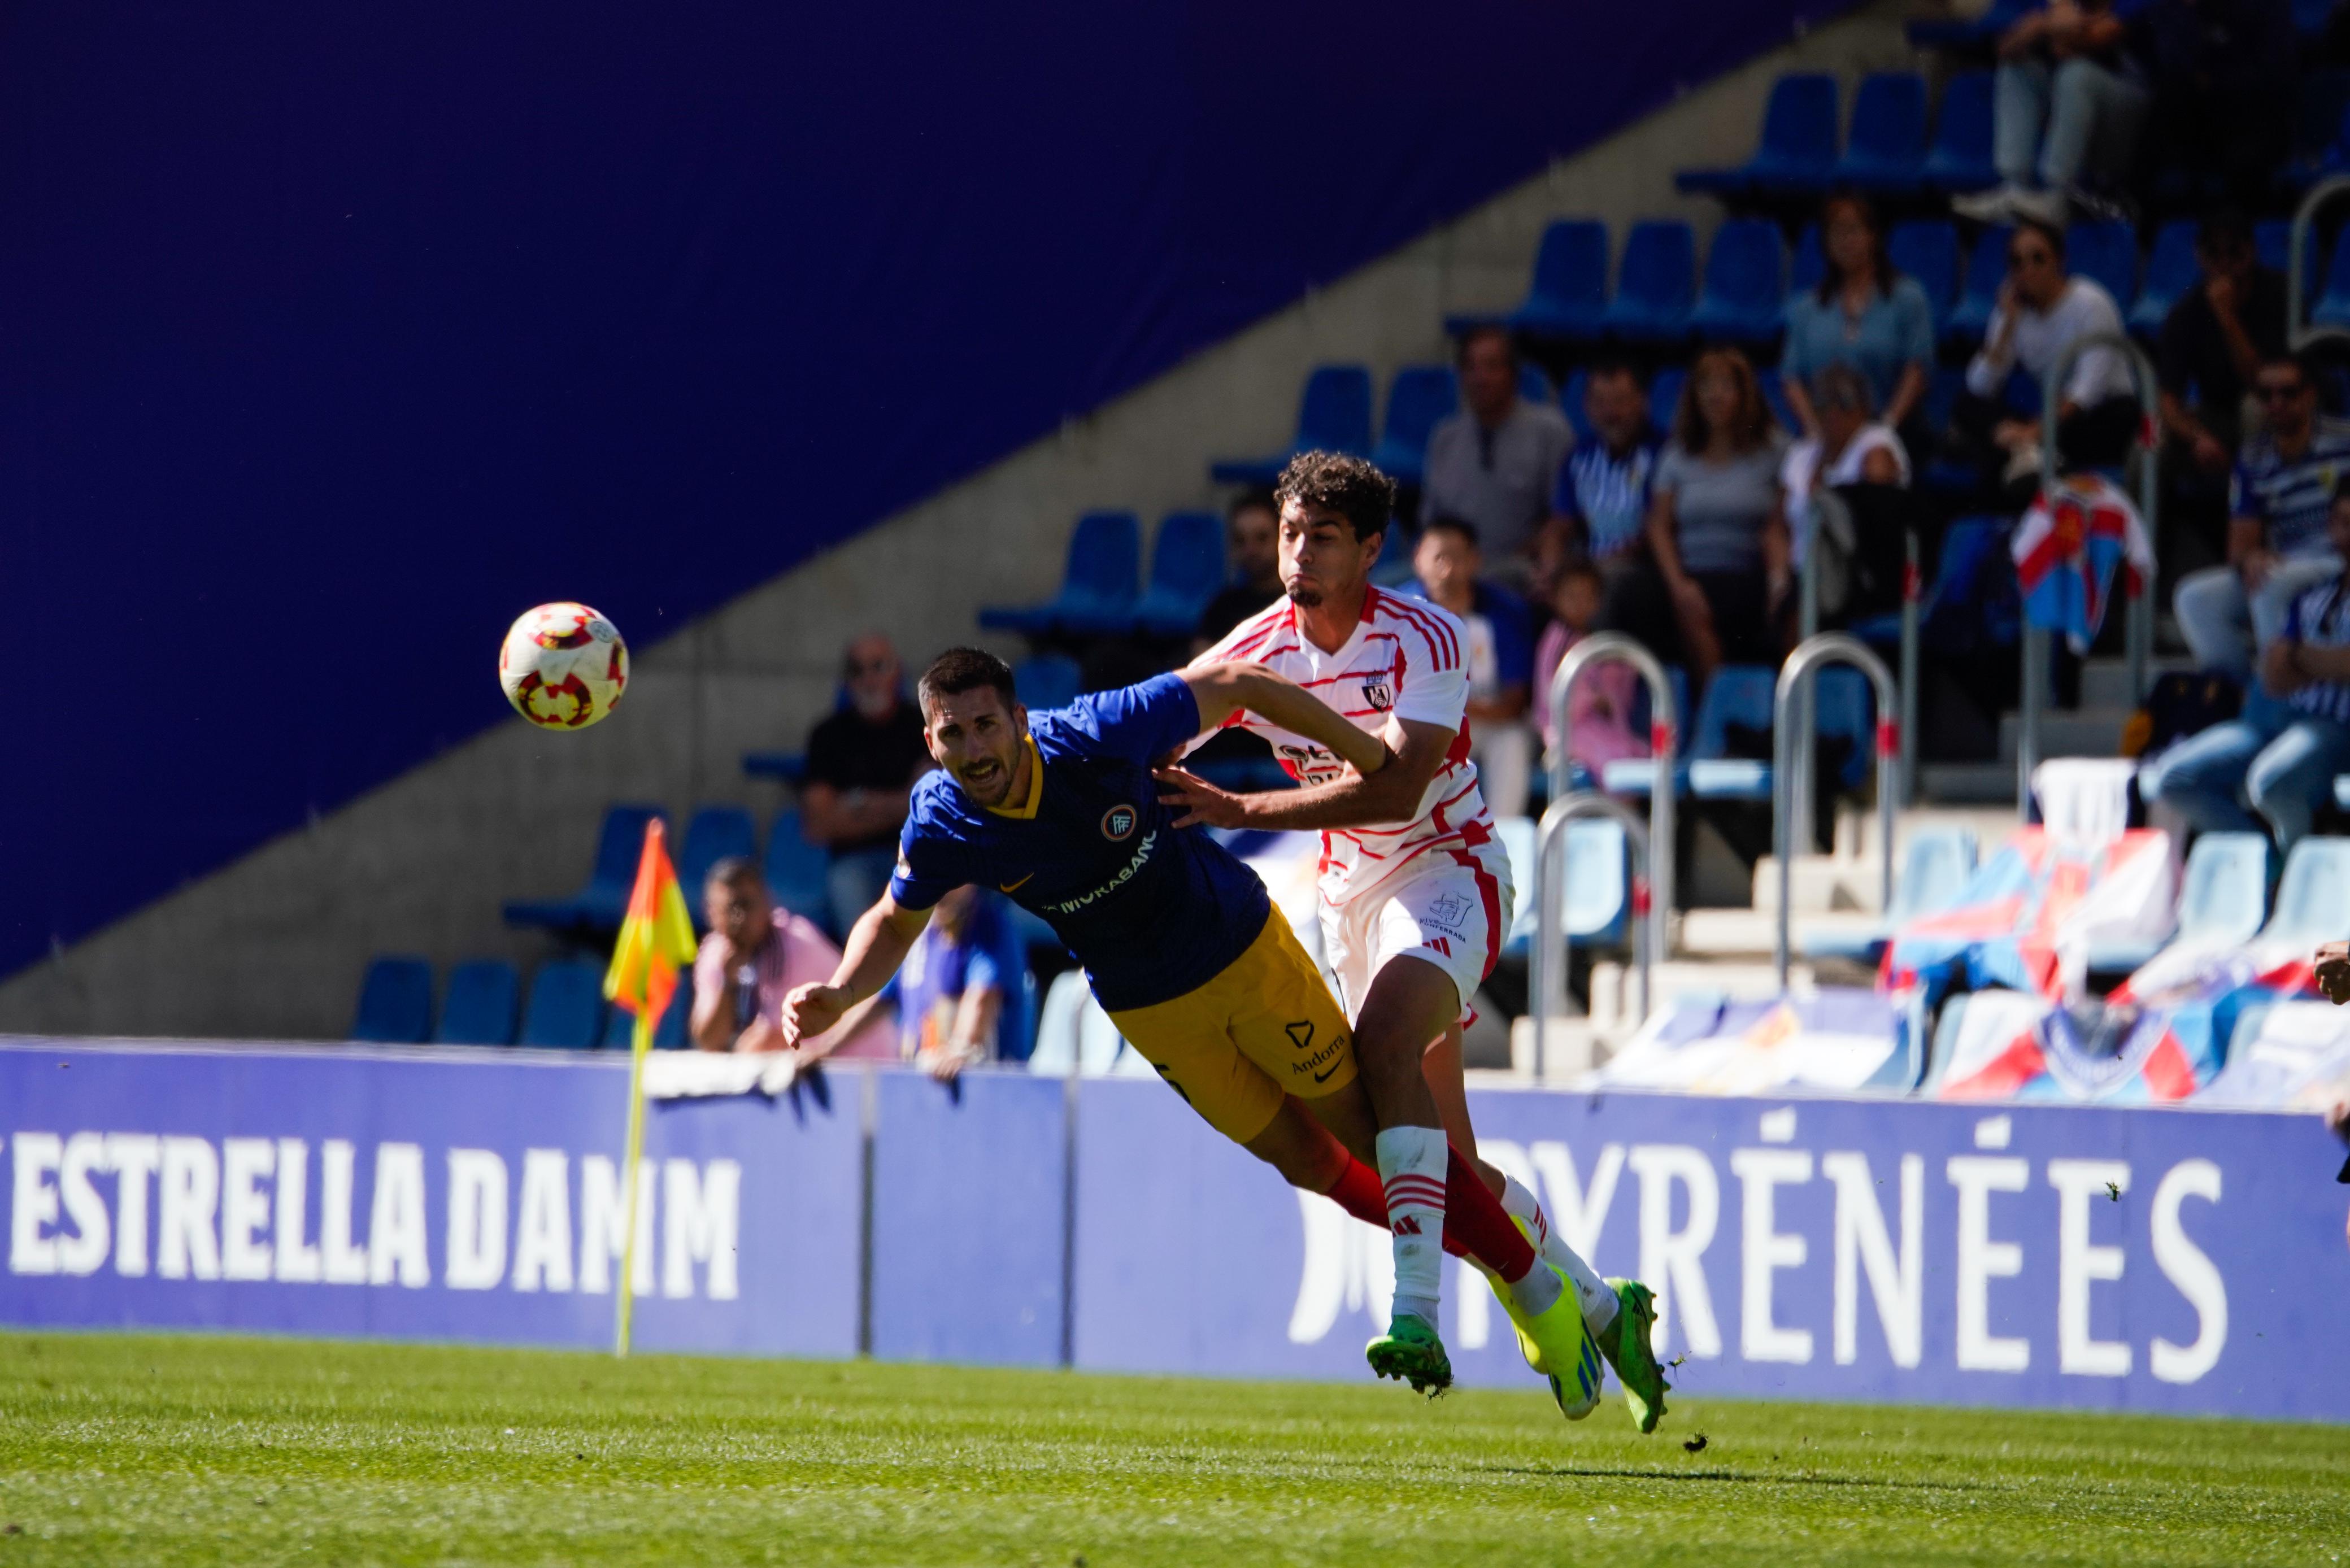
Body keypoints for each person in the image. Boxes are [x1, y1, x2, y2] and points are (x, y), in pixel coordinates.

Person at [781, 646, 1643, 1420]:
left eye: (985, 726)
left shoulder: (1095, 735)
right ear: (930, 743)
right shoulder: (941, 817)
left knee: (1377, 1143)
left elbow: (1236, 681)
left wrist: (1366, 755)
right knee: (1311, 1167)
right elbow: (894, 919)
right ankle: (1589, 1299)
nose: (974, 750)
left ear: (1019, 719)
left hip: (1244, 957)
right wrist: (842, 991)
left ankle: (1543, 1297)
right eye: (952, 734)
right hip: (1149, 1010)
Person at [1170, 451, 1666, 1431]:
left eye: (1321, 538)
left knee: (1387, 1042)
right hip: (1348, 902)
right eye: (1289, 534)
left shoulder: (1427, 634)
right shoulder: (1257, 647)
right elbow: (1161, 729)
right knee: (1448, 1171)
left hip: (1449, 869)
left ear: (1370, 549)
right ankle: (1601, 1307)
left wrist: (1241, 807)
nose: (1298, 555)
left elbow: (1398, 790)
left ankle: (1417, 1315)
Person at [2147, 487, 2350, 854]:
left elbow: (2333, 664)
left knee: (2270, 782)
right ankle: (2267, 867)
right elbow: (2275, 676)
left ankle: (2298, 874)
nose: (2345, 532)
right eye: (2340, 521)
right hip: (2278, 718)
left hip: (2335, 729)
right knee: (2174, 779)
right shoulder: (2312, 596)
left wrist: (2301, 658)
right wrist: (2320, 662)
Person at [2173, 354, 2350, 682]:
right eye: (2266, 395)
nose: (2276, 403)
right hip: (2288, 562)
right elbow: (2240, 547)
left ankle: (2279, 693)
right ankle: (2240, 693)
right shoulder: (2253, 457)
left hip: (2337, 560)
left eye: (2288, 393)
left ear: (2310, 395)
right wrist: (2250, 558)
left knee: (2269, 582)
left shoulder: (2345, 441)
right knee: (2194, 598)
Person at [1952, 217, 2138, 490]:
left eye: (2038, 259)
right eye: (2017, 262)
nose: (2027, 270)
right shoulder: (2013, 311)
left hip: (2098, 413)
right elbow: (1980, 386)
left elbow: (2087, 392)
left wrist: (2034, 432)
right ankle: (2029, 453)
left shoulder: (2090, 303)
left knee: (2109, 418)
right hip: (2052, 419)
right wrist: (2006, 325)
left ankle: (2026, 454)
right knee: (1966, 403)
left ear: (2059, 261)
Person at [1643, 346, 1791, 683]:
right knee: (1673, 602)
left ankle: (1784, 699)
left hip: (1753, 571)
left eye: (1725, 385)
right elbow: (1659, 526)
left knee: (1788, 601)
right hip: (1693, 572)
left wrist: (1778, 577)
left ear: (1745, 394)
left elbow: (1782, 522)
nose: (1715, 396)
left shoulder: (1776, 451)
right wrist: (1679, 584)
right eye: (1705, 386)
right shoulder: (1676, 455)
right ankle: (1719, 700)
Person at [1951, 0, 2149, 225]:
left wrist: (2043, 25)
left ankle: (2056, 194)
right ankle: (2014, 187)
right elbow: (2005, 49)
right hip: (2084, 117)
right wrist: (2049, 26)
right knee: (2018, 67)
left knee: (2077, 75)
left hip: (2129, 127)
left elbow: (2095, 38)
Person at [690, 858, 894, 1058]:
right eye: (731, 908)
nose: (740, 918)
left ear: (767, 902)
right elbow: (708, 1040)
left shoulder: (795, 943)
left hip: (862, 1060)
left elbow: (769, 1040)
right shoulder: (714, 952)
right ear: (711, 912)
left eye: (747, 905)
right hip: (809, 1062)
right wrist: (728, 983)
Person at [801, 634, 932, 935]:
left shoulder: (924, 727)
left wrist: (859, 804)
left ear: (897, 671)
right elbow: (819, 825)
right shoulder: (827, 736)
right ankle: (863, 968)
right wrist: (905, 801)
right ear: (847, 680)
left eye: (878, 666)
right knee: (846, 883)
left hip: (919, 855)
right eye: (857, 670)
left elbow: (934, 809)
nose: (869, 679)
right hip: (854, 862)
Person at [1418, 325, 1573, 581]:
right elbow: (1431, 522)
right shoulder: (1445, 437)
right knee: (1385, 584)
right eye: (1471, 368)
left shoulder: (1549, 431)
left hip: (1521, 570)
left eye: (1492, 366)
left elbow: (1562, 519)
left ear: (1513, 374)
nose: (1481, 378)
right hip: (1451, 571)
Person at [1780, 194, 1934, 445]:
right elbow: (1792, 377)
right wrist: (1815, 431)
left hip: (1890, 430)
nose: (1845, 241)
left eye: (1852, 230)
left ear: (1873, 236)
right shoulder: (1806, 307)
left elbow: (1917, 369)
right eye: (1836, 233)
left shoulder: (1908, 297)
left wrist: (1886, 428)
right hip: (1825, 433)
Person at [1408, 518, 1535, 818]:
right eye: (1438, 557)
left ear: (1475, 560)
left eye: (1456, 557)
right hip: (1426, 727)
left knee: (1514, 741)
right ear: (1418, 559)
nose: (1447, 568)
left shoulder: (1506, 611)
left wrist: (1457, 706)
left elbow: (1515, 702)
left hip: (1490, 722)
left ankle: (1503, 838)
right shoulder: (1401, 612)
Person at [1782, 364, 1912, 623]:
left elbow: (1878, 514)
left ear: (1864, 407)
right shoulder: (1801, 453)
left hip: (1854, 576)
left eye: (1843, 401)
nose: (1832, 411)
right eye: (1822, 402)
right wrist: (1777, 578)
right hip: (1800, 572)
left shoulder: (1877, 444)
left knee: (1797, 615)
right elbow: (1774, 527)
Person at [889, 884, 1029, 1081]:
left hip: (985, 1084)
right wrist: (836, 1041)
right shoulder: (918, 931)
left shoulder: (988, 924)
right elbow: (874, 997)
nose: (939, 882)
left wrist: (959, 1049)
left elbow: (982, 998)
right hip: (921, 1079)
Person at [1548, 358, 1661, 585]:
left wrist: (1593, 569)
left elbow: (1654, 534)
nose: (1611, 413)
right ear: (1586, 406)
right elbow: (1561, 525)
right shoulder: (1579, 456)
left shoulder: (1661, 455)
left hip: (1642, 569)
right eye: (1600, 402)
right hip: (1588, 566)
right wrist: (1550, 567)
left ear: (1642, 401)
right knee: (1518, 576)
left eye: (1620, 401)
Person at [1533, 559, 1647, 774]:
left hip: (1596, 728)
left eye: (1587, 597)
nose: (1579, 604)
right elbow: (1552, 695)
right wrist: (1594, 699)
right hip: (1564, 732)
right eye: (1571, 596)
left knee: (1638, 753)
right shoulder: (1556, 640)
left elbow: (1612, 690)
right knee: (1614, 761)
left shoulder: (1591, 639)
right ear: (1555, 599)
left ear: (1598, 602)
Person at [1193, 490, 1283, 648]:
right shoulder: (1222, 607)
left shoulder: (1300, 604)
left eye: (1262, 538)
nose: (1251, 550)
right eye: (1240, 540)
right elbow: (1201, 657)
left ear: (1282, 538)